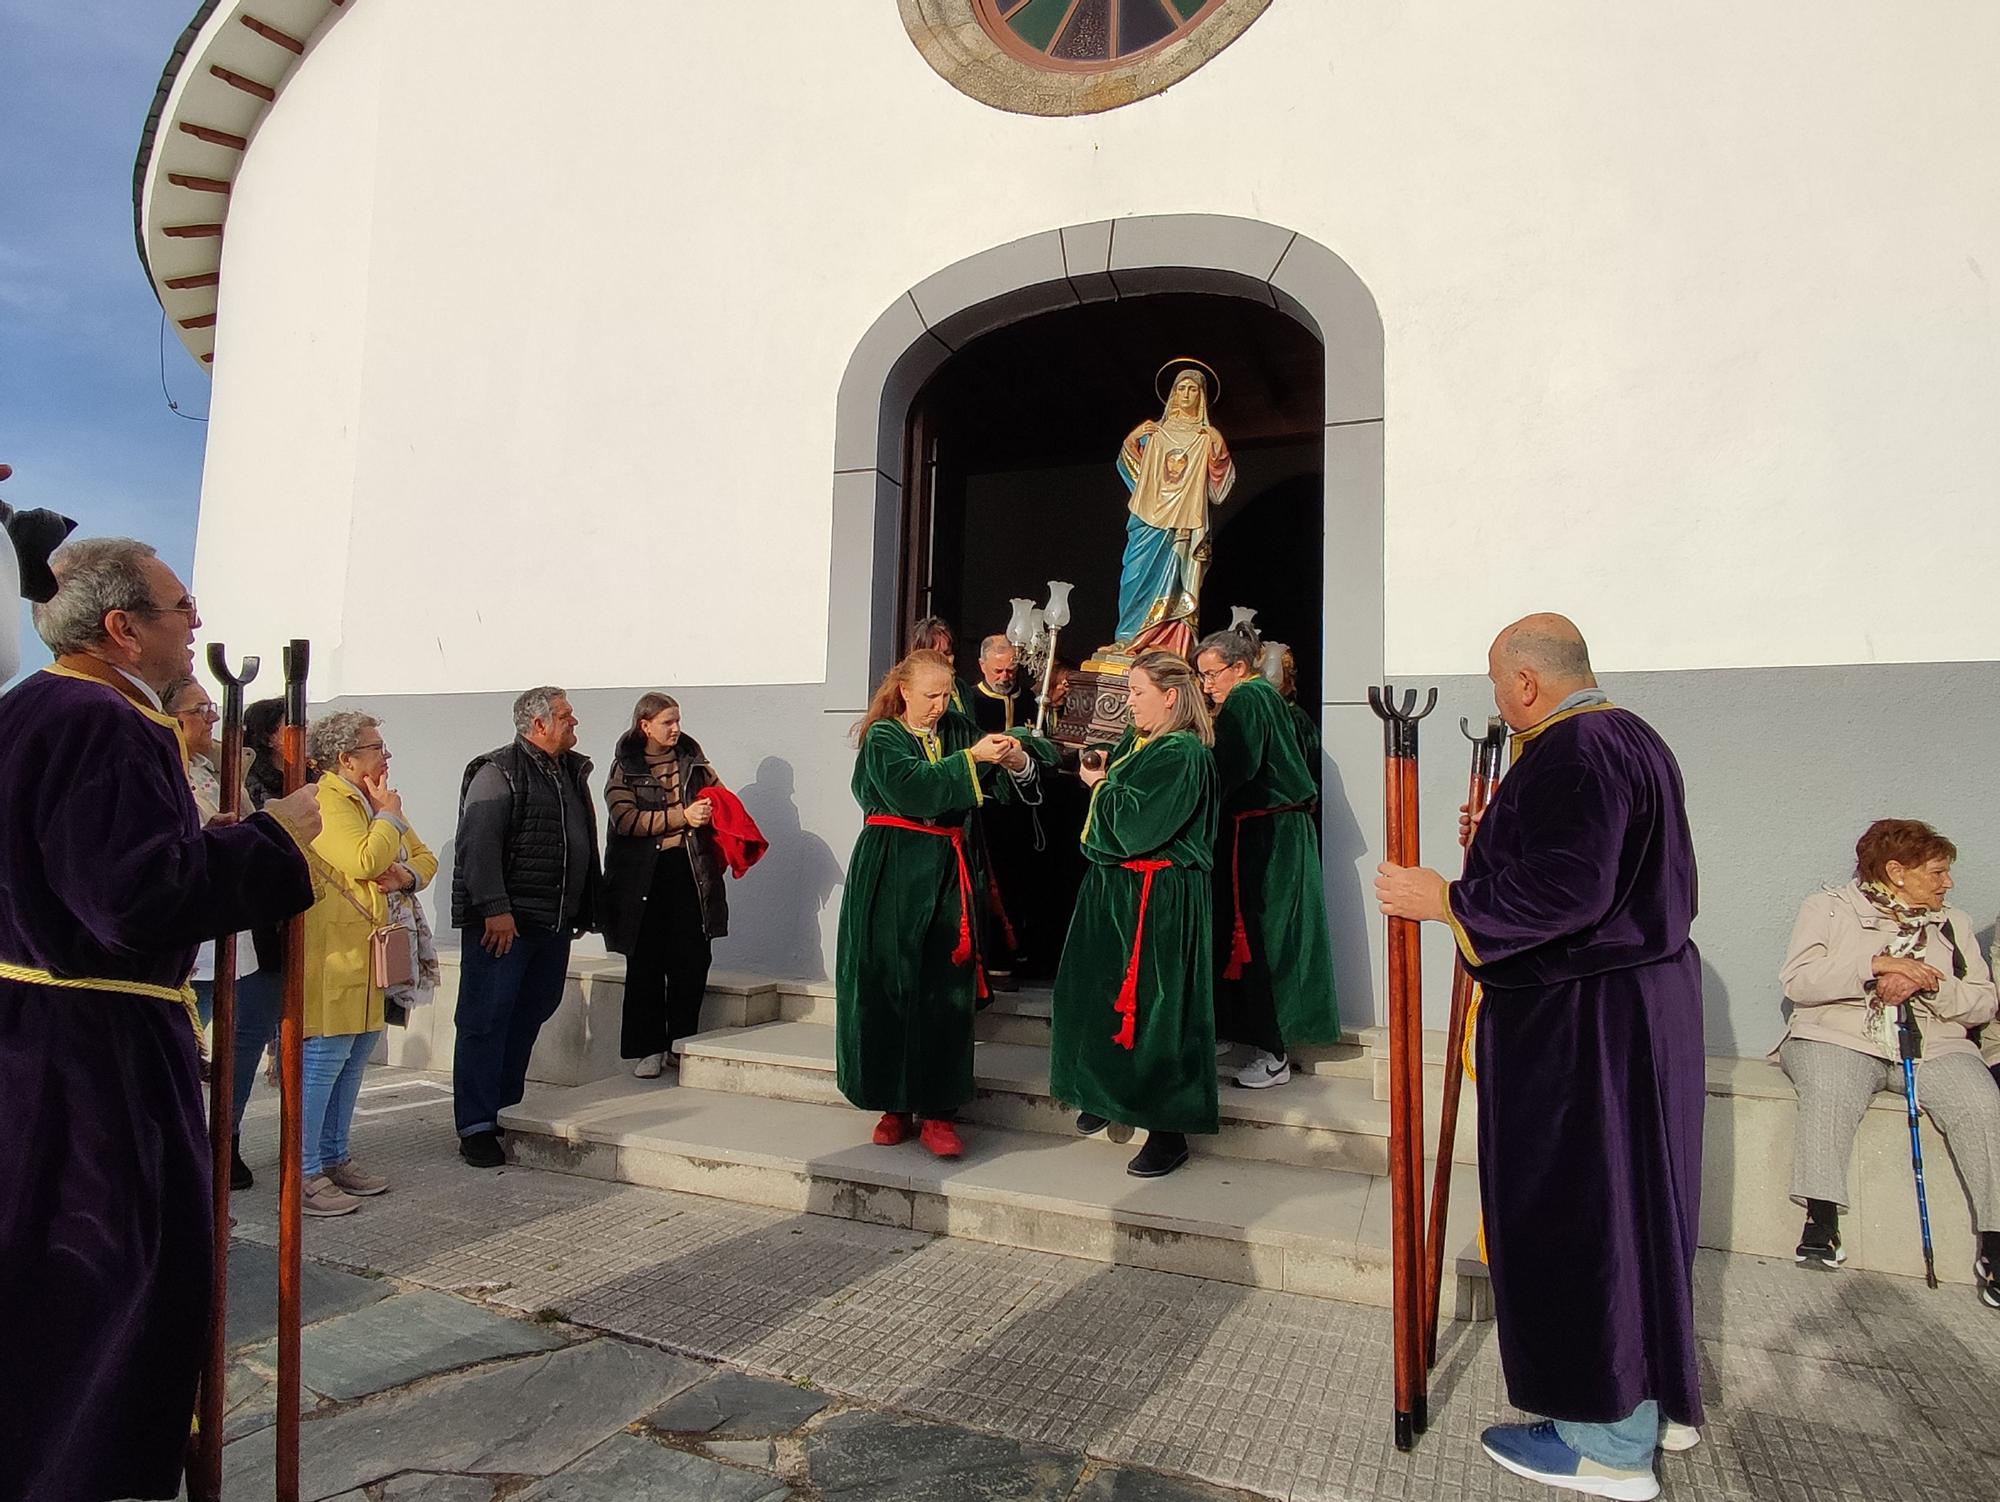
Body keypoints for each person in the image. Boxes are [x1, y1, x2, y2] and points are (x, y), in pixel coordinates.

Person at [0, 537, 319, 1502]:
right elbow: (132, 903)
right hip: (98, 1065)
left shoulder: (28, 710)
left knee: (43, 1282)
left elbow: (79, 866)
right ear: (122, 627)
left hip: (32, 1039)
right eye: (181, 608)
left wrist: (197, 840)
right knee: (114, 1285)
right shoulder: (107, 723)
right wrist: (273, 837)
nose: (195, 626)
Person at [1374, 613, 1701, 1500]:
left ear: (1524, 681)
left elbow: (1573, 887)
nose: (1496, 698)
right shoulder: (1631, 736)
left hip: (1582, 1023)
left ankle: (1605, 1441)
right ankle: (1651, 1400)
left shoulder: (1570, 751)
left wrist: (1447, 899)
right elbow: (1608, 866)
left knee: (1580, 1217)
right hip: (1638, 1006)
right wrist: (1495, 848)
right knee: (1637, 1209)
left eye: (1494, 682)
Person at [1777, 819, 2000, 1303]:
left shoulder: (1954, 924)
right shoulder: (1830, 908)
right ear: (1897, 871)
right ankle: (1822, 1217)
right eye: (1938, 872)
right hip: (1841, 1034)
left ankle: (1996, 1242)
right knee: (1831, 1088)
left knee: (1982, 1103)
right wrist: (1876, 966)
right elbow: (1799, 981)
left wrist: (1931, 982)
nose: (1949, 883)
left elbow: (1983, 1003)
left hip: (1934, 1042)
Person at [835, 649, 1025, 1157]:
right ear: (904, 692)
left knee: (945, 989)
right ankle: (892, 1105)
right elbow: (912, 789)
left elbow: (1012, 763)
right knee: (890, 984)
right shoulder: (883, 738)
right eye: (931, 696)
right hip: (891, 865)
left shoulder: (958, 728)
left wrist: (1017, 757)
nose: (941, 705)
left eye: (947, 695)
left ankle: (940, 1111)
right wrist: (973, 761)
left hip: (945, 870)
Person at [1050, 650, 1219, 1178]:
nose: (1129, 704)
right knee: (1097, 993)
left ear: (1170, 697)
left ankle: (1168, 1131)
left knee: (1156, 1009)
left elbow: (1133, 826)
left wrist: (1098, 786)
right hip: (1114, 891)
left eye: (1137, 694)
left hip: (1157, 896)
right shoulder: (1141, 739)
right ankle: (1106, 1091)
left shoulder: (1184, 753)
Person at [450, 686, 601, 1167]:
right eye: (564, 716)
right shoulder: (497, 771)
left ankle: (505, 1112)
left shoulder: (569, 772)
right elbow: (478, 845)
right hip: (505, 925)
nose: (574, 722)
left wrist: (583, 908)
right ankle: (475, 1125)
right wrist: (495, 908)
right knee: (486, 1019)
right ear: (537, 725)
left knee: (531, 1011)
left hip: (550, 924)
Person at [297, 711, 439, 1214]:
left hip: (373, 953)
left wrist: (407, 877)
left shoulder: (374, 801)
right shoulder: (328, 801)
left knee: (356, 1057)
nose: (386, 756)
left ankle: (335, 1157)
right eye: (376, 747)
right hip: (334, 953)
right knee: (323, 1060)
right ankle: (304, 1172)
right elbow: (362, 861)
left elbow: (424, 858)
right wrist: (388, 818)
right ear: (345, 758)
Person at [1195, 630, 1340, 1088]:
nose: (1205, 686)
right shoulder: (1268, 699)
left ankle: (1272, 1051)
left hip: (1265, 835)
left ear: (1239, 668)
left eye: (1211, 675)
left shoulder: (1248, 700)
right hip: (1271, 828)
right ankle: (1239, 1028)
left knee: (1262, 936)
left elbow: (1232, 766)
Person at [603, 692, 728, 1078]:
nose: (676, 729)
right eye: (667, 722)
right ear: (645, 725)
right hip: (643, 877)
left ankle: (681, 1043)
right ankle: (648, 1049)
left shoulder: (695, 761)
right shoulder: (625, 766)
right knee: (646, 964)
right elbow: (625, 819)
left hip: (690, 871)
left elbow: (720, 797)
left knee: (692, 960)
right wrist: (683, 816)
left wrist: (713, 810)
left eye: (678, 721)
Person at [1114, 363, 1235, 655]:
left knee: (1175, 582)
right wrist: (1131, 441)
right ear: (1172, 393)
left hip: (1182, 524)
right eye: (1181, 388)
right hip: (1147, 520)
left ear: (1201, 396)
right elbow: (1134, 473)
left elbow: (1220, 486)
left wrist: (1218, 447)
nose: (1185, 394)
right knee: (1134, 575)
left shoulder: (1205, 438)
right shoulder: (1155, 433)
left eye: (1192, 389)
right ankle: (1128, 638)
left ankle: (1169, 646)